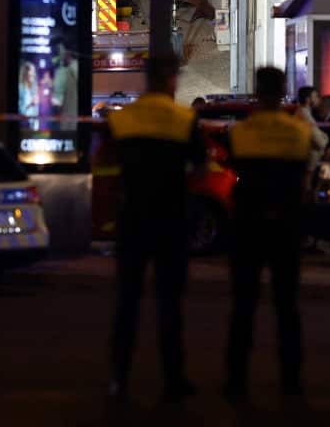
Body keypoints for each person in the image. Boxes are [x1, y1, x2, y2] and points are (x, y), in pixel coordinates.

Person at [98, 52, 206, 402]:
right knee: (169, 303)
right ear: (172, 78)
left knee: (127, 302)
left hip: (133, 218)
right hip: (171, 220)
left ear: (146, 78)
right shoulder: (184, 120)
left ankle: (119, 378)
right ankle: (173, 378)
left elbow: (107, 168)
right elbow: (200, 170)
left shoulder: (122, 120)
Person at [224, 67, 313, 402]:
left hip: (248, 227)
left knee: (243, 307)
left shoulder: (240, 133)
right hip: (286, 228)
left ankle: (236, 381)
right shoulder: (299, 133)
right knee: (287, 308)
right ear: (283, 91)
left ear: (257, 92)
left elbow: (235, 172)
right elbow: (302, 179)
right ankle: (291, 383)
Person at [50, 38, 79, 121]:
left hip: (71, 115)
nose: (54, 54)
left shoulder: (75, 67)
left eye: (57, 50)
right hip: (60, 115)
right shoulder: (60, 70)